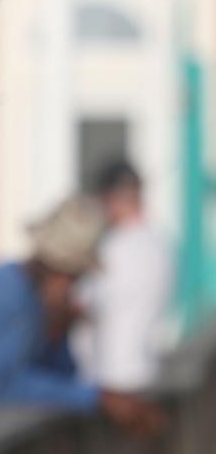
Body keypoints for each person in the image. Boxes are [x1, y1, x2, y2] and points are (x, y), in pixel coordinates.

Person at [0, 194, 163, 437]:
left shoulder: (38, 304)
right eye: (76, 277)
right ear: (61, 272)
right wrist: (95, 397)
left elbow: (59, 377)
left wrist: (58, 334)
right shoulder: (1, 290)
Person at [72, 160, 174, 390]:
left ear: (110, 199)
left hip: (110, 381)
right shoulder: (160, 242)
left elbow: (83, 305)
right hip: (146, 371)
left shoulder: (114, 248)